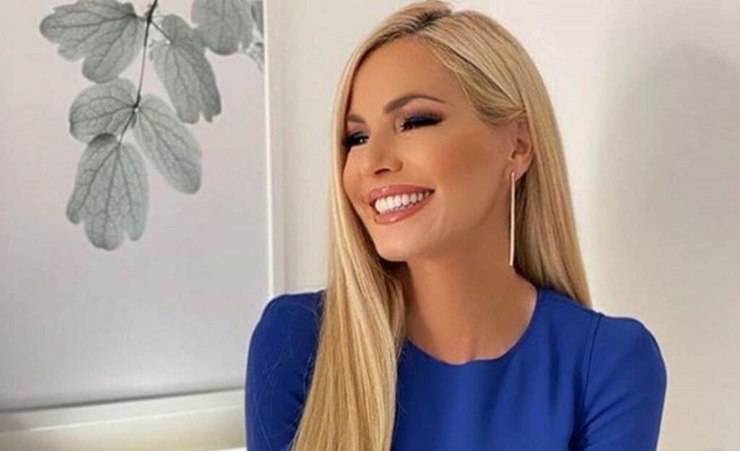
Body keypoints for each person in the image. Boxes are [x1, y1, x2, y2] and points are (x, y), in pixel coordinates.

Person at [245, 1, 667, 450]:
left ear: (517, 146)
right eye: (357, 138)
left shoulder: (609, 364)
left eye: (414, 122)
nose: (372, 161)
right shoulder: (296, 342)